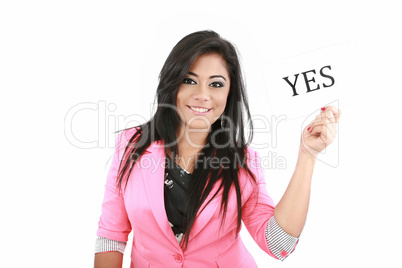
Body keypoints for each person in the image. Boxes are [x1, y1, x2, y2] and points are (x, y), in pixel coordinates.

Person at [93, 30, 341, 268]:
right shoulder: (132, 145)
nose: (202, 95)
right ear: (172, 83)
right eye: (189, 80)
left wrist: (307, 154)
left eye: (216, 84)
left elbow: (278, 244)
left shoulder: (244, 163)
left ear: (229, 93)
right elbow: (111, 235)